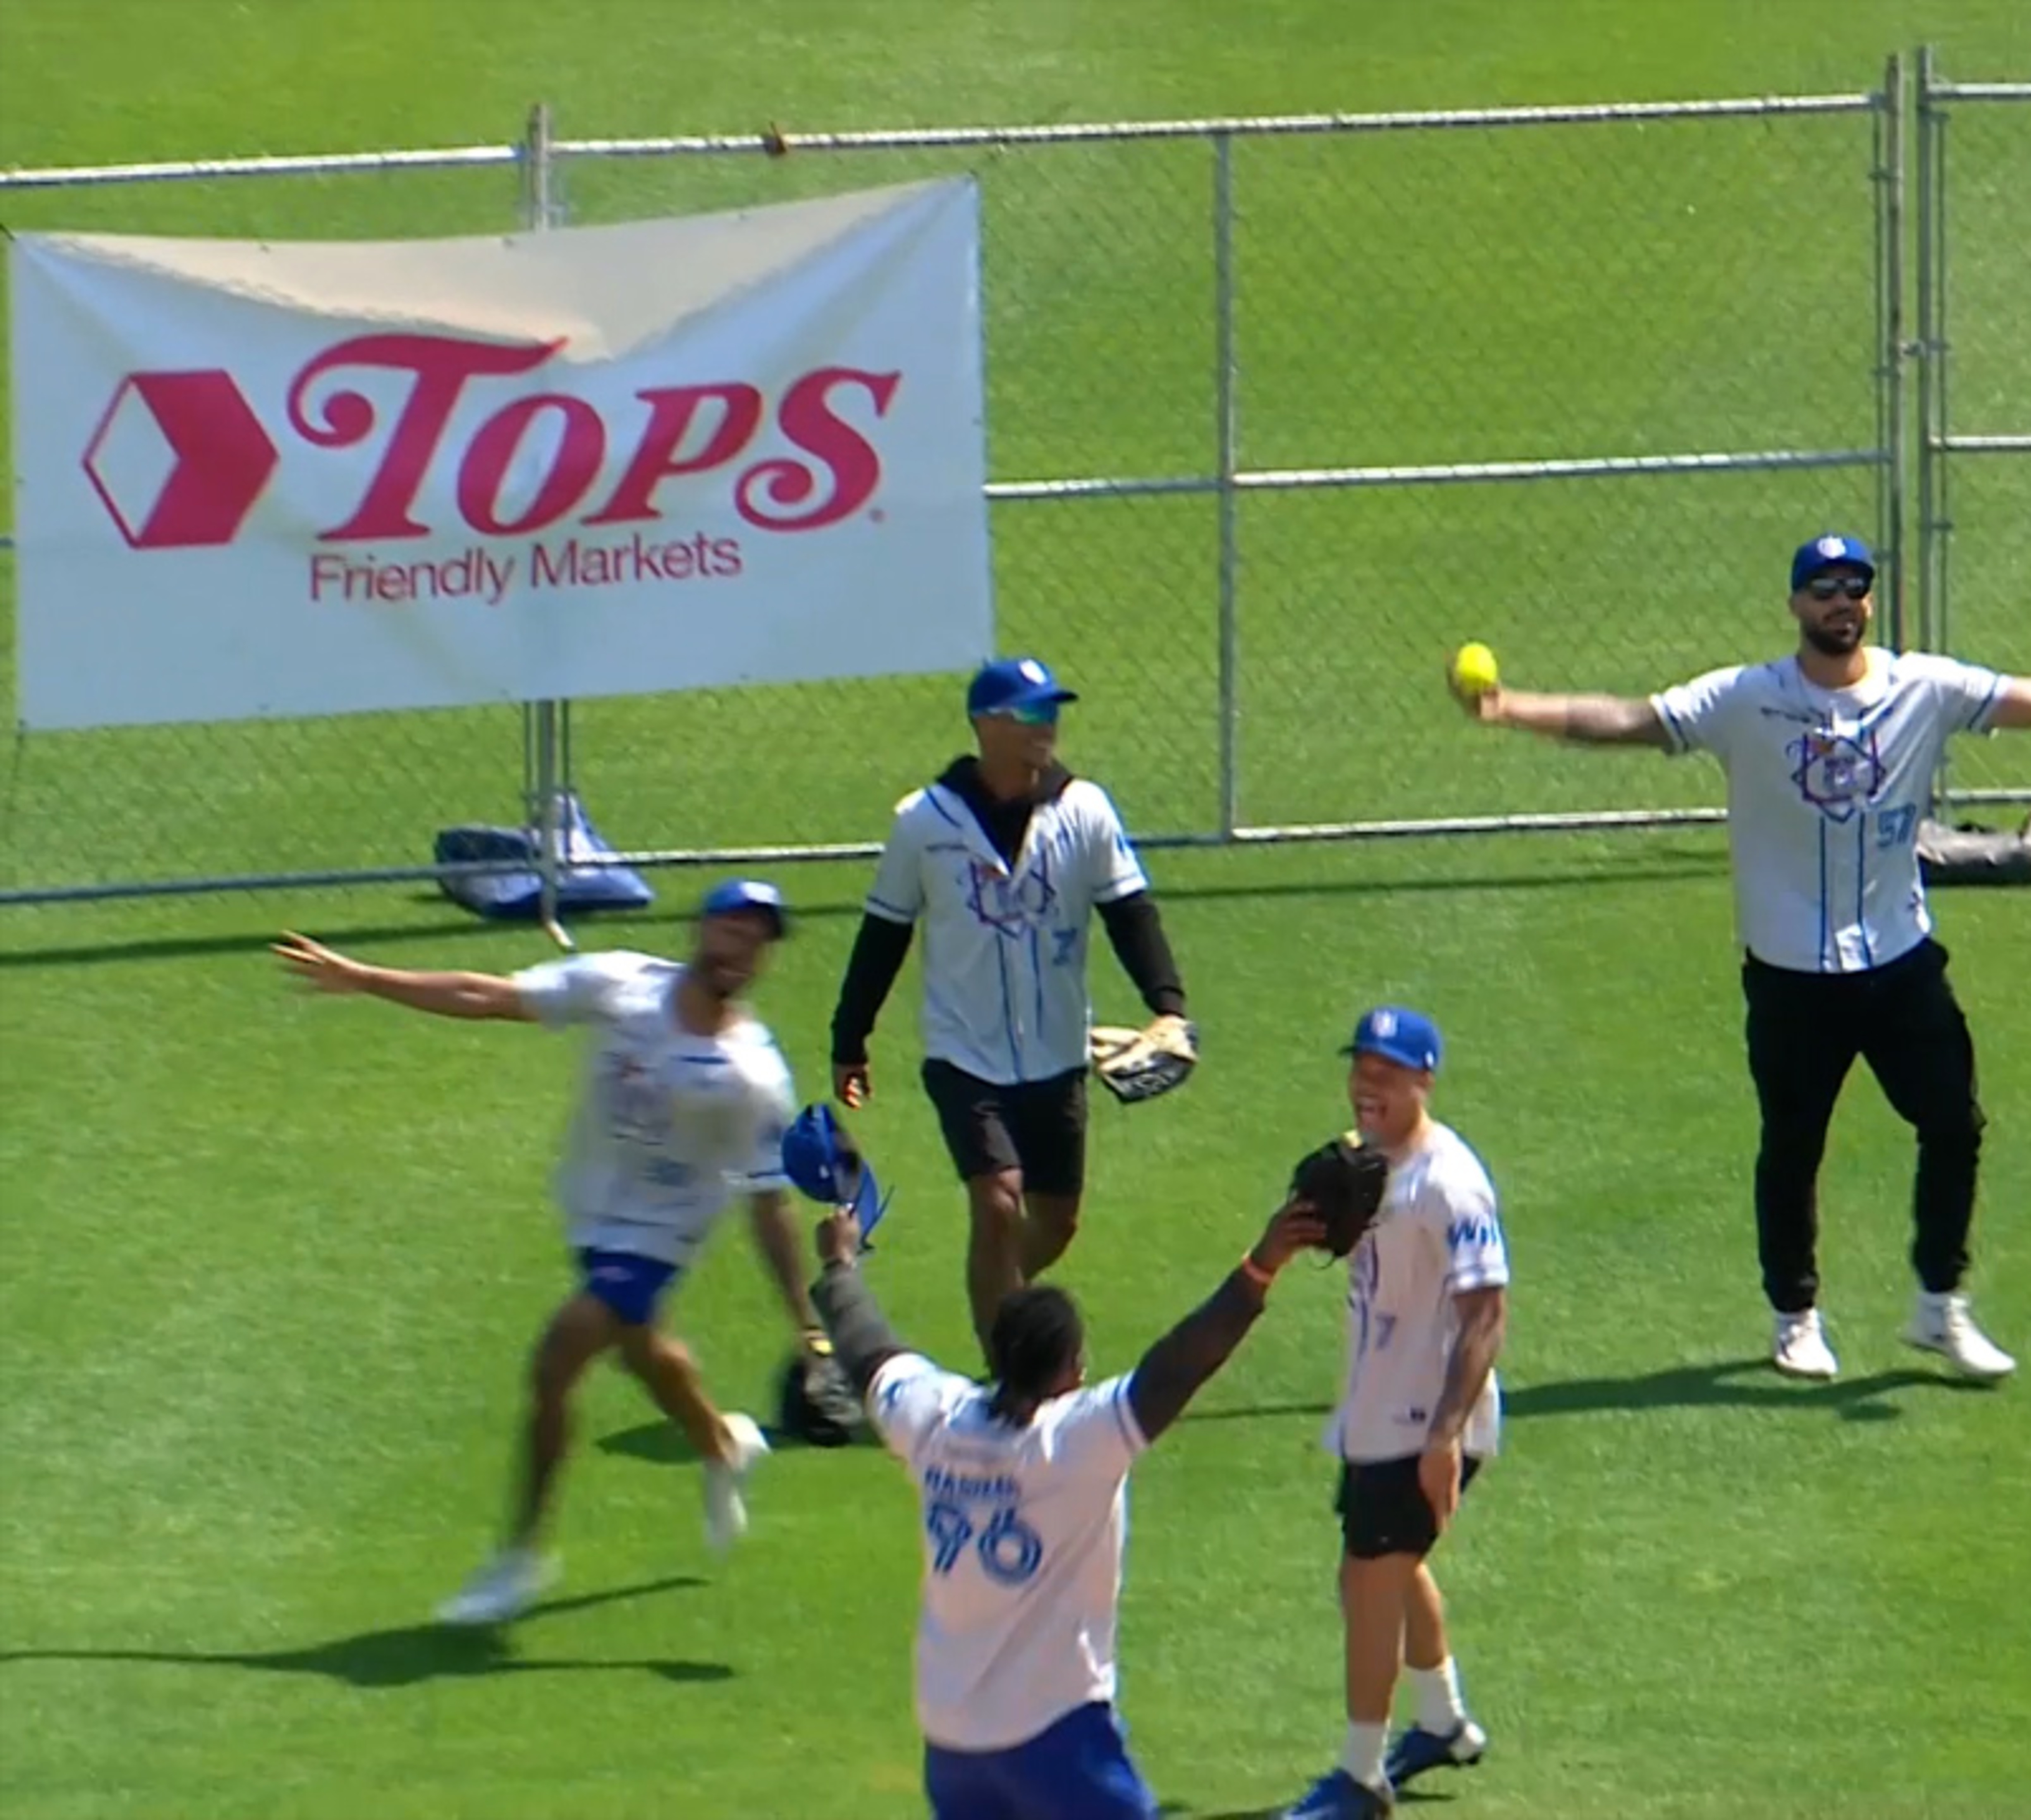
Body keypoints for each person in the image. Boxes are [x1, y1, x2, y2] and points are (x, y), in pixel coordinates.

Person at [1452, 531, 2031, 1383]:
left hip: (1897, 958)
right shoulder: (1746, 698)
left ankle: (1938, 1307)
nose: (1841, 603)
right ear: (1796, 604)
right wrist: (1512, 707)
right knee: (1794, 1144)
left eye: (1856, 588)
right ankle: (1794, 1316)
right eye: (1823, 589)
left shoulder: (1923, 687)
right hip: (1789, 972)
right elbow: (1629, 720)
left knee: (1954, 1123)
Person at [270, 880, 820, 1625]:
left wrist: (805, 1321)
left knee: (558, 1358)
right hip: (594, 1208)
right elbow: (489, 995)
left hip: (665, 1231)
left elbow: (770, 1203)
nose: (740, 950)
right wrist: (367, 979)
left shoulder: (753, 1076)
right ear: (702, 930)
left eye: (758, 941)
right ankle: (723, 1444)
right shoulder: (621, 984)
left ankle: (521, 1557)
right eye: (731, 930)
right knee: (641, 1349)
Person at [792, 1112, 1327, 1820]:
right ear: (1070, 1371)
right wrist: (1263, 1263)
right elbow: (1183, 1361)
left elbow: (868, 1349)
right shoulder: (1076, 1442)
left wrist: (839, 1265)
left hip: (952, 1742)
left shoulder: (936, 1417)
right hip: (1056, 1739)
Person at [832, 655, 1197, 1352]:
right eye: (1030, 713)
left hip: (1058, 1051)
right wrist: (850, 1038)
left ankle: (995, 1293)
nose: (1047, 725)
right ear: (985, 724)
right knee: (998, 1197)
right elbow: (883, 933)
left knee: (1055, 1221)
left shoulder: (1084, 809)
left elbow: (1129, 911)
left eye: (1052, 710)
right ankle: (1008, 1371)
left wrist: (1167, 1005)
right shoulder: (924, 822)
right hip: (963, 1051)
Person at [1281, 1008, 1508, 1820]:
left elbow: (1487, 1311)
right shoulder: (1369, 1164)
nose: (1365, 1085)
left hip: (1426, 1416)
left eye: (1386, 1072)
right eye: (1360, 1069)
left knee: (1369, 1577)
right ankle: (1443, 1721)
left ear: (1424, 1078)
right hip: (1378, 1406)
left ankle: (1360, 1775)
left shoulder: (1450, 1181)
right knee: (1388, 1564)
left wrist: (1444, 1438)